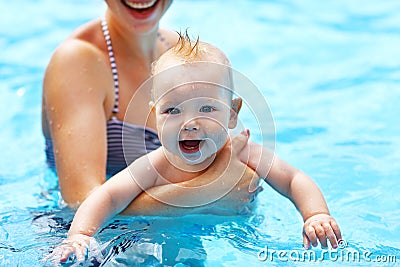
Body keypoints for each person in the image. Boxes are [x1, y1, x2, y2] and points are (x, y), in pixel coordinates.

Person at [45, 34, 342, 264]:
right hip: (165, 240)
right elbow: (106, 196)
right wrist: (80, 236)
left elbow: (293, 179)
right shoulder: (156, 164)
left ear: (232, 113)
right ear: (155, 115)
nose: (189, 124)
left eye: (206, 108)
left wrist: (315, 215)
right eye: (172, 110)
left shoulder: (244, 152)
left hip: (238, 241)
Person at [41, 0, 258, 211]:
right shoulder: (78, 61)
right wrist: (207, 191)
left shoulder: (179, 54)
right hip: (91, 237)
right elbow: (81, 203)